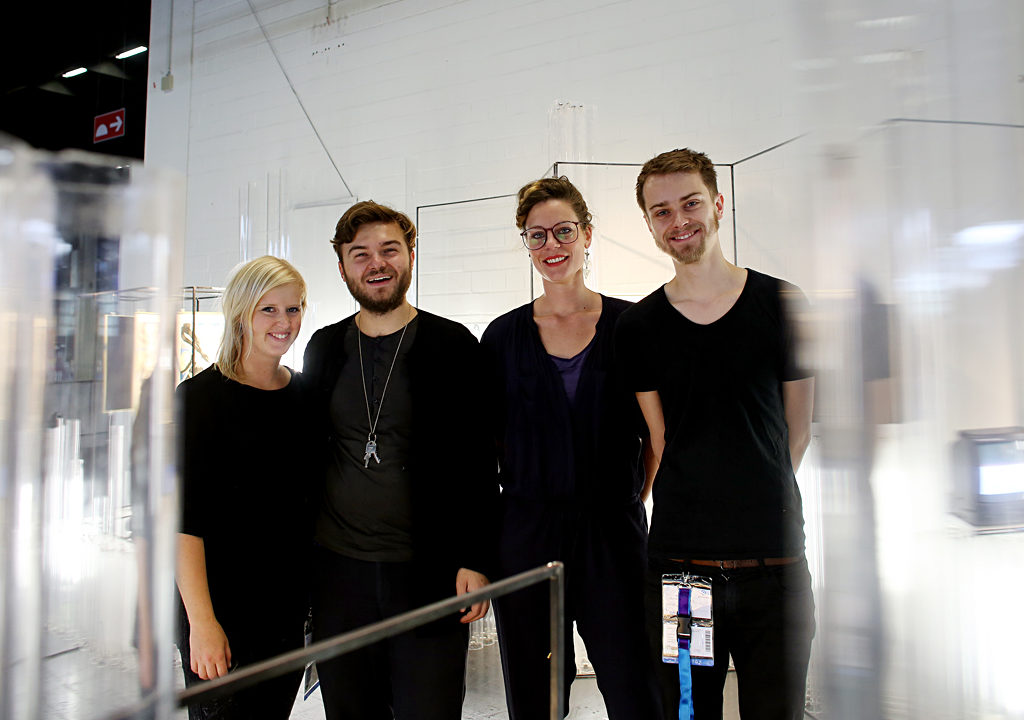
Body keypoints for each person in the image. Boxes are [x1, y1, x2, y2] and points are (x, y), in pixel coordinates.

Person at [615, 148, 816, 720]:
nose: (679, 220)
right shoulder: (639, 328)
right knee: (686, 712)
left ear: (718, 204)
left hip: (774, 568)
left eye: (691, 203)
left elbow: (795, 433)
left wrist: (751, 497)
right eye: (661, 211)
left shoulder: (781, 303)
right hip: (682, 576)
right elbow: (661, 439)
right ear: (650, 224)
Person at [302, 200, 499, 720]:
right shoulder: (323, 347)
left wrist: (475, 559)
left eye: (390, 249)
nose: (377, 263)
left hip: (427, 571)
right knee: (350, 710)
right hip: (339, 572)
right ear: (343, 266)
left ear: (411, 255)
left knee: (428, 709)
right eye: (360, 253)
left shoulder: (452, 345)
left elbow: (479, 462)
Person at [481, 176, 661, 719]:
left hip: (614, 530)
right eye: (536, 236)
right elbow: (486, 444)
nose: (551, 246)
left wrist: (634, 495)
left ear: (587, 234)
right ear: (526, 244)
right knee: (536, 692)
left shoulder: (633, 325)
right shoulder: (503, 337)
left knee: (634, 684)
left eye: (563, 231)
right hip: (527, 530)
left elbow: (655, 437)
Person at [175, 255, 314, 719]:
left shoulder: (304, 396)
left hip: (284, 611)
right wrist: (202, 623)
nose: (284, 322)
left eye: (293, 309)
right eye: (268, 310)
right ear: (241, 314)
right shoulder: (198, 399)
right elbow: (182, 524)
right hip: (220, 611)